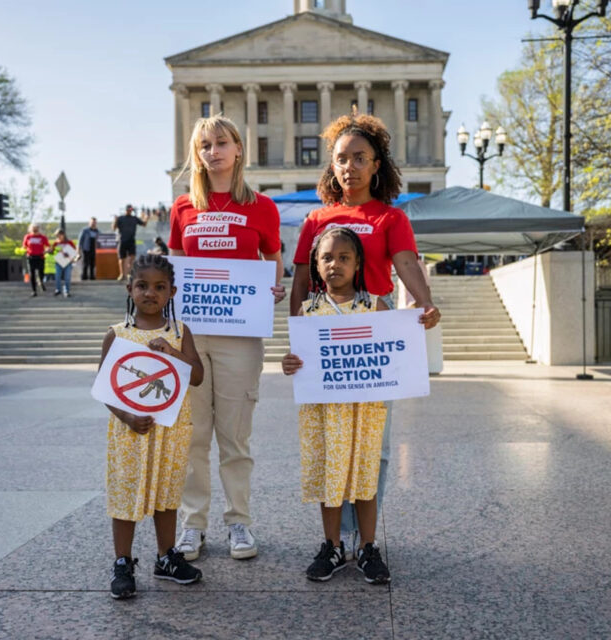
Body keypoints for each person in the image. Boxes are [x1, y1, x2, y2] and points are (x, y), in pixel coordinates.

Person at [290, 113, 441, 559]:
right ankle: (335, 539)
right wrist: (296, 336)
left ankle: (365, 536)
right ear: (331, 165)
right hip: (325, 342)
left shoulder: (390, 217)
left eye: (360, 158)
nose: (350, 166)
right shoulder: (316, 219)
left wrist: (424, 302)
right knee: (328, 441)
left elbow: (408, 264)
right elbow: (301, 281)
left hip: (373, 339)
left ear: (377, 165)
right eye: (341, 158)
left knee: (373, 442)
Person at [168, 114, 285, 562]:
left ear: (238, 148)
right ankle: (192, 525)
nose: (212, 151)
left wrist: (270, 291)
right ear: (196, 154)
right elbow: (175, 268)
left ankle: (239, 522)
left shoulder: (262, 206)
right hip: (192, 338)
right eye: (204, 145)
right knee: (193, 437)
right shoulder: (184, 207)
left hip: (241, 336)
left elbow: (272, 256)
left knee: (235, 437)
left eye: (221, 142)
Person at [282, 226, 391, 584]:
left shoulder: (374, 305)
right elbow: (298, 358)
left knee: (365, 478)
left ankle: (368, 547)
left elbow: (392, 352)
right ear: (315, 263)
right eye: (327, 257)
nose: (335, 264)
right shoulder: (306, 310)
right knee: (329, 476)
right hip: (324, 413)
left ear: (358, 263)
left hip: (363, 411)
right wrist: (289, 364)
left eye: (344, 257)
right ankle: (332, 545)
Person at [100, 253, 204, 600]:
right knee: (126, 494)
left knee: (167, 495)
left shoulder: (179, 331)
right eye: (142, 285)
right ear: (130, 289)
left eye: (159, 287)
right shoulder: (117, 334)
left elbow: (198, 376)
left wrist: (174, 353)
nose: (150, 293)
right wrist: (128, 417)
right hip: (131, 432)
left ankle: (166, 557)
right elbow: (105, 387)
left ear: (171, 292)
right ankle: (122, 562)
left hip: (170, 431)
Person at [113, 204, 147, 281]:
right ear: (126, 210)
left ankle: (129, 273)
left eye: (131, 209)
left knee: (132, 257)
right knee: (122, 258)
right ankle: (122, 274)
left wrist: (146, 218)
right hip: (122, 240)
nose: (130, 211)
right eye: (128, 209)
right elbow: (114, 228)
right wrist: (115, 220)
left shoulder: (134, 218)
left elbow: (144, 224)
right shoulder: (120, 218)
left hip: (131, 240)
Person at [22, 223, 50, 297]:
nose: (35, 230)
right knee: (32, 274)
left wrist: (46, 250)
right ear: (30, 229)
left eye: (36, 228)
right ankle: (34, 290)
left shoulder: (43, 237)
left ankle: (41, 282)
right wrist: (22, 250)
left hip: (40, 257)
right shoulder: (27, 237)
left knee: (41, 273)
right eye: (33, 228)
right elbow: (24, 246)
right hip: (31, 257)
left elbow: (48, 246)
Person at [50, 229, 76, 297]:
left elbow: (74, 251)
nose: (58, 237)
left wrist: (70, 256)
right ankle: (58, 289)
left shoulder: (69, 242)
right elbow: (52, 252)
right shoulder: (55, 243)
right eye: (57, 236)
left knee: (67, 277)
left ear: (63, 235)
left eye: (59, 236)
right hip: (58, 262)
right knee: (57, 276)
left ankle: (67, 291)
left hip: (68, 262)